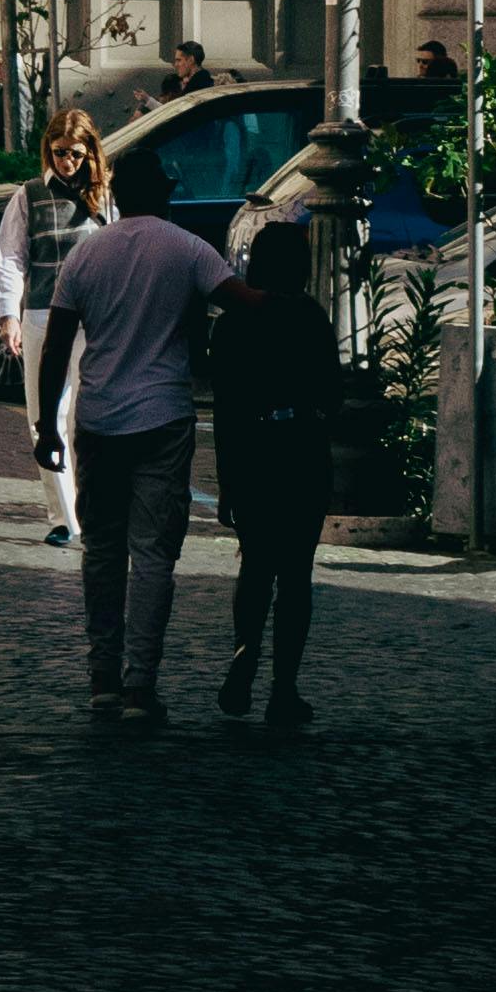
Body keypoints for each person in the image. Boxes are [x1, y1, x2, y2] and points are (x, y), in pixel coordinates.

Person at [31, 147, 238, 726]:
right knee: (152, 557)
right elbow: (242, 303)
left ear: (118, 194)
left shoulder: (86, 255)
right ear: (166, 193)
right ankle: (140, 685)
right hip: (164, 420)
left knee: (102, 552)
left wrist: (48, 423)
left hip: (97, 419)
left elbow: (55, 350)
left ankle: (102, 676)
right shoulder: (190, 250)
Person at [205, 213, 337, 734]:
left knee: (256, 565)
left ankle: (244, 652)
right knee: (297, 575)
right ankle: (284, 688)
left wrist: (227, 485)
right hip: (302, 451)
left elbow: (225, 407)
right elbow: (333, 394)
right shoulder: (311, 317)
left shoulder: (235, 322)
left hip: (252, 450)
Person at [0, 103, 115, 547]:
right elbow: (9, 256)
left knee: (89, 413)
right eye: (60, 152)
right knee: (46, 414)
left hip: (94, 319)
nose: (67, 162)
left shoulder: (106, 196)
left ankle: (90, 507)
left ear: (90, 152)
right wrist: (8, 313)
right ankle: (64, 516)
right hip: (43, 312)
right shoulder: (29, 195)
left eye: (76, 154)